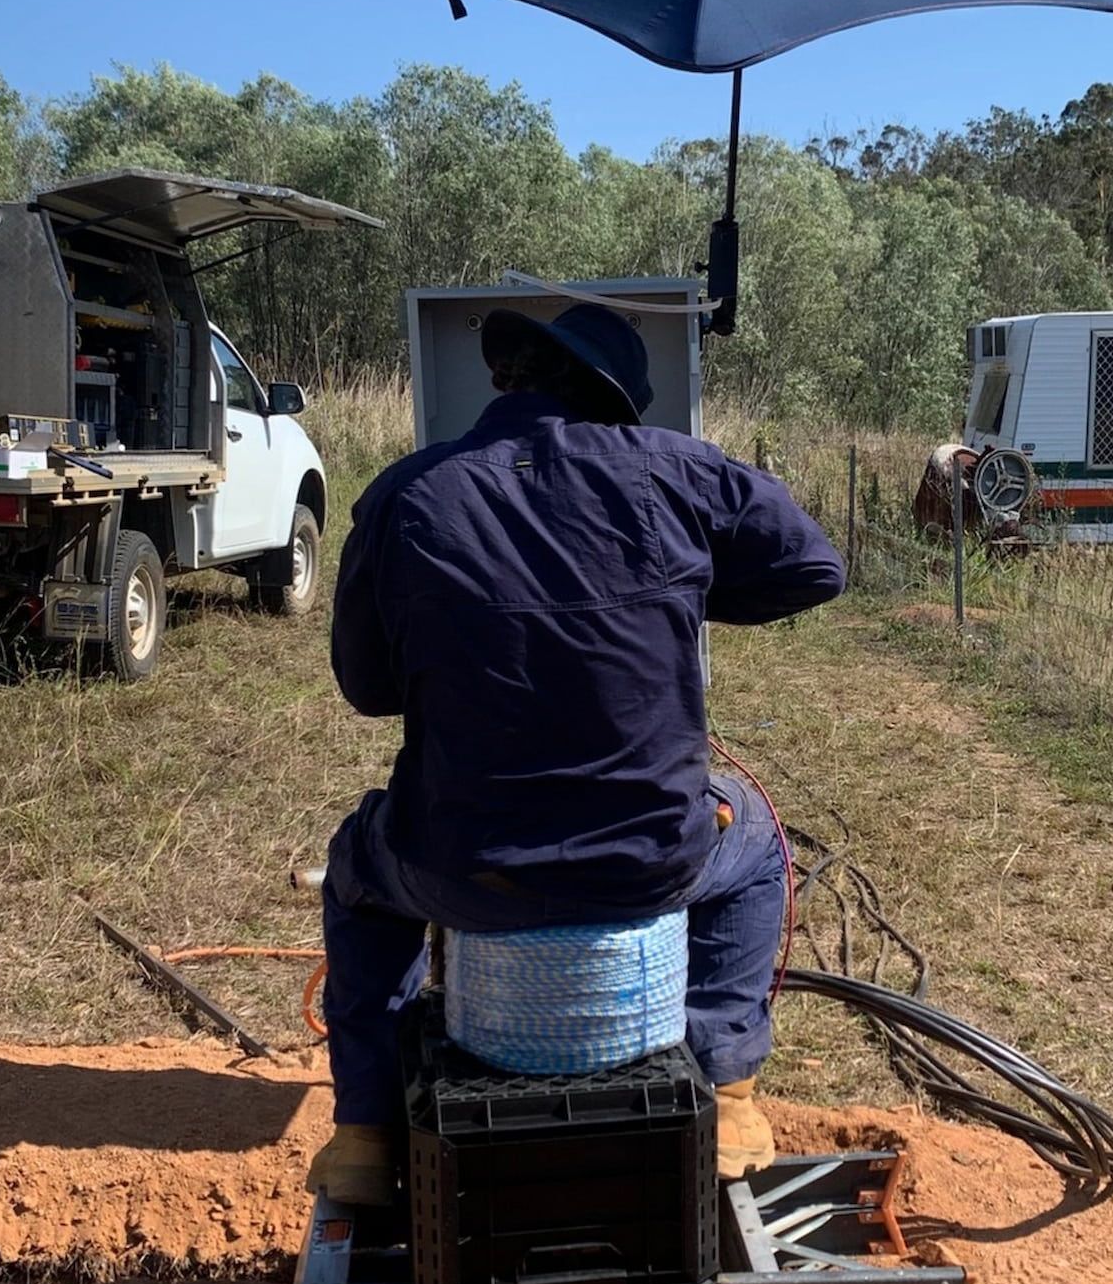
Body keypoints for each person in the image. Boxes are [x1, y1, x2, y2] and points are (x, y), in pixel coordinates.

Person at [307, 301, 845, 1204]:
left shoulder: (407, 493)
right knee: (754, 846)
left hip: (459, 867)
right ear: (617, 401)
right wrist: (674, 595)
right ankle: (734, 1091)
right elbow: (813, 568)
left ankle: (365, 1132)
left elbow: (366, 689)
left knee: (358, 870)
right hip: (650, 862)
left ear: (505, 379)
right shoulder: (681, 472)